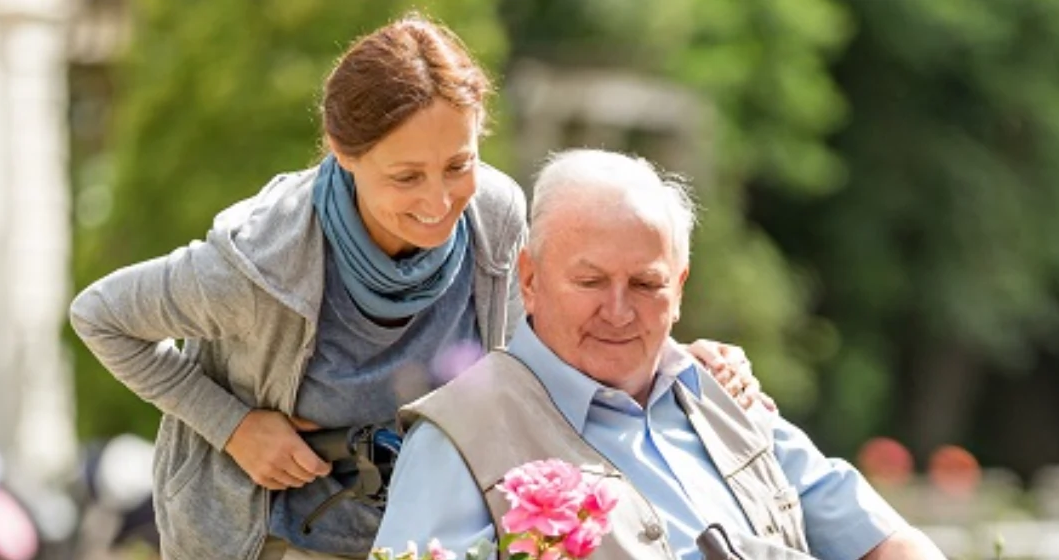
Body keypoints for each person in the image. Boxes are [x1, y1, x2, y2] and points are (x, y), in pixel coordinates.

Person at [69, 15, 770, 560]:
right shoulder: (259, 264)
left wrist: (680, 360)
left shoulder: (494, 212)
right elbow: (98, 315)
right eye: (406, 177)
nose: (439, 202)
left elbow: (564, 324)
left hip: (445, 523)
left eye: (456, 164)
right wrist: (234, 427)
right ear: (344, 157)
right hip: (281, 538)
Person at [373, 150, 945, 560]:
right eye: (591, 282)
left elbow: (887, 541)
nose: (619, 311)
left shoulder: (723, 394)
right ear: (529, 279)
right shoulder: (459, 436)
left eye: (646, 285)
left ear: (681, 286)